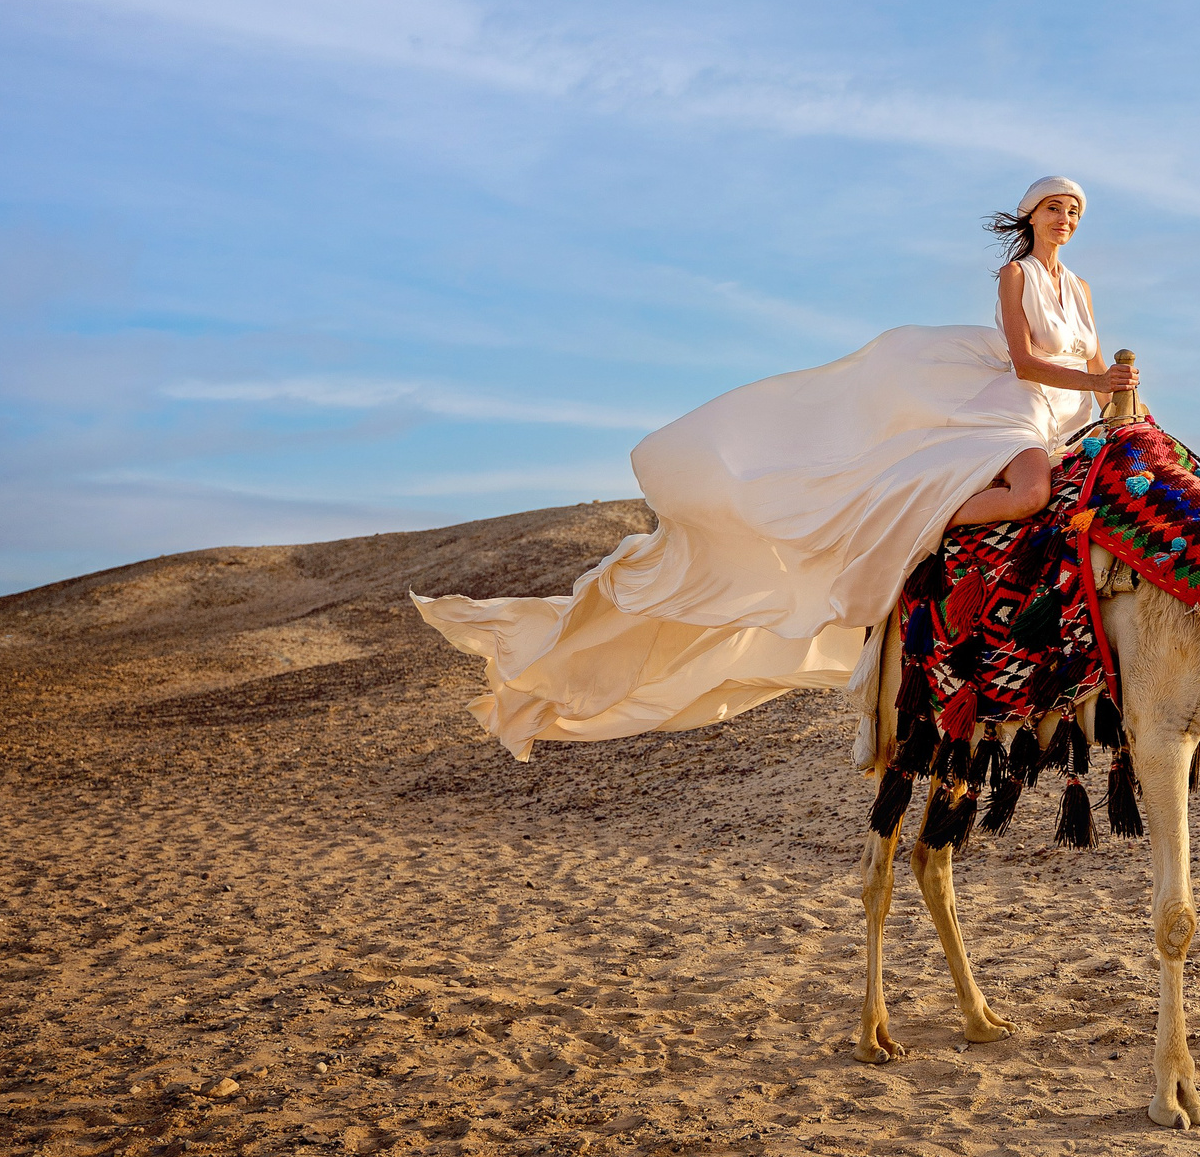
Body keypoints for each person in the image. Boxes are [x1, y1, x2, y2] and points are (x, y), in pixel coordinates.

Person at [411, 176, 1140, 759]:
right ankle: (922, 512)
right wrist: (1095, 385)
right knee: (1031, 492)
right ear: (1030, 215)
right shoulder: (1017, 276)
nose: (1066, 218)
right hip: (1011, 406)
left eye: (1074, 211)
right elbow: (1022, 360)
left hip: (1066, 413)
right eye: (1055, 207)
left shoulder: (1079, 288)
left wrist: (1120, 383)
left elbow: (1095, 360)